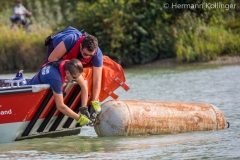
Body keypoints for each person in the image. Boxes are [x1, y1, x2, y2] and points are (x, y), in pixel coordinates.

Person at [45, 26, 102, 119]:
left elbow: (97, 80)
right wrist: (69, 68)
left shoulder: (97, 54)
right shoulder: (71, 40)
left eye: (90, 55)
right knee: (50, 73)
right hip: (56, 49)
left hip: (73, 61)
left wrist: (94, 101)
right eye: (85, 54)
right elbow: (52, 59)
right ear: (80, 47)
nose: (87, 57)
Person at [26, 59, 99, 126]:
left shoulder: (70, 66)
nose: (76, 80)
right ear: (67, 73)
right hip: (29, 94)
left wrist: (83, 108)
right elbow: (60, 106)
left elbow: (83, 86)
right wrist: (79, 118)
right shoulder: (56, 79)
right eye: (74, 78)